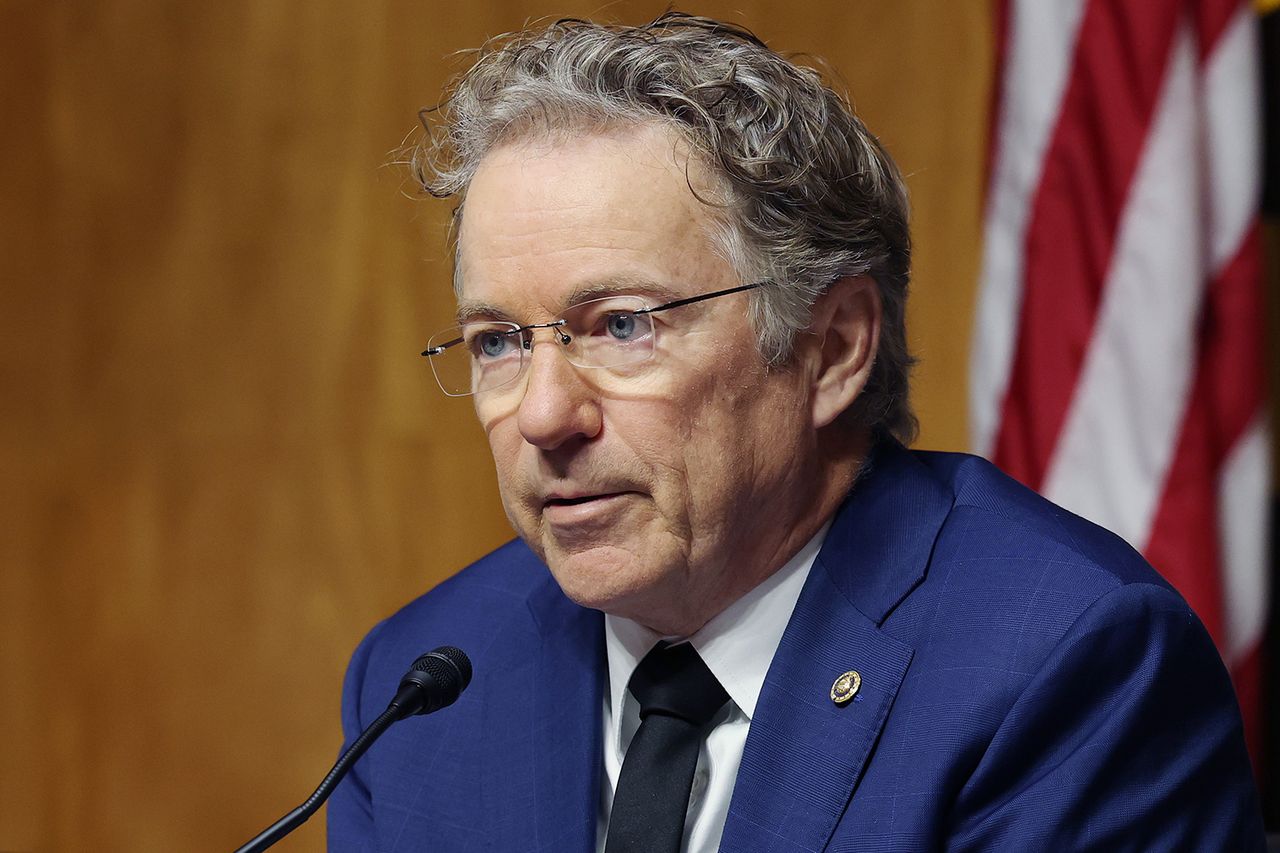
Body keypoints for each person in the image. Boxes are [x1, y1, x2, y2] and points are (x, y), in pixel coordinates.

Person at [328, 12, 1265, 851]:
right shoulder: (420, 685)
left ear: (833, 348)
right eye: (498, 341)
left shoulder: (1064, 667)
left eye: (622, 325)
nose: (541, 415)